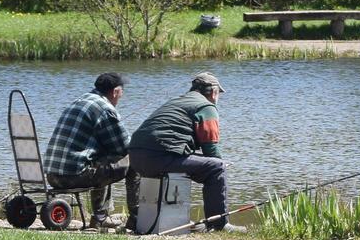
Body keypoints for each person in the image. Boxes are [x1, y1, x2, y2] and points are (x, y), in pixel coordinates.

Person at [129, 71, 228, 231]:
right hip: (159, 158)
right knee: (217, 167)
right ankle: (219, 225)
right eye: (219, 94)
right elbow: (210, 148)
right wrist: (221, 164)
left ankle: (136, 220)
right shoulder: (206, 107)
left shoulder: (177, 101)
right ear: (214, 92)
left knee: (208, 164)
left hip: (136, 158)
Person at [43, 73, 132, 229]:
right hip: (73, 176)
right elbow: (124, 147)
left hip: (52, 176)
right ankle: (135, 218)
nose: (121, 97)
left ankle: (101, 217)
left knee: (104, 158)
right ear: (115, 92)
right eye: (121, 93)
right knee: (135, 160)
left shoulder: (80, 101)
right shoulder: (105, 108)